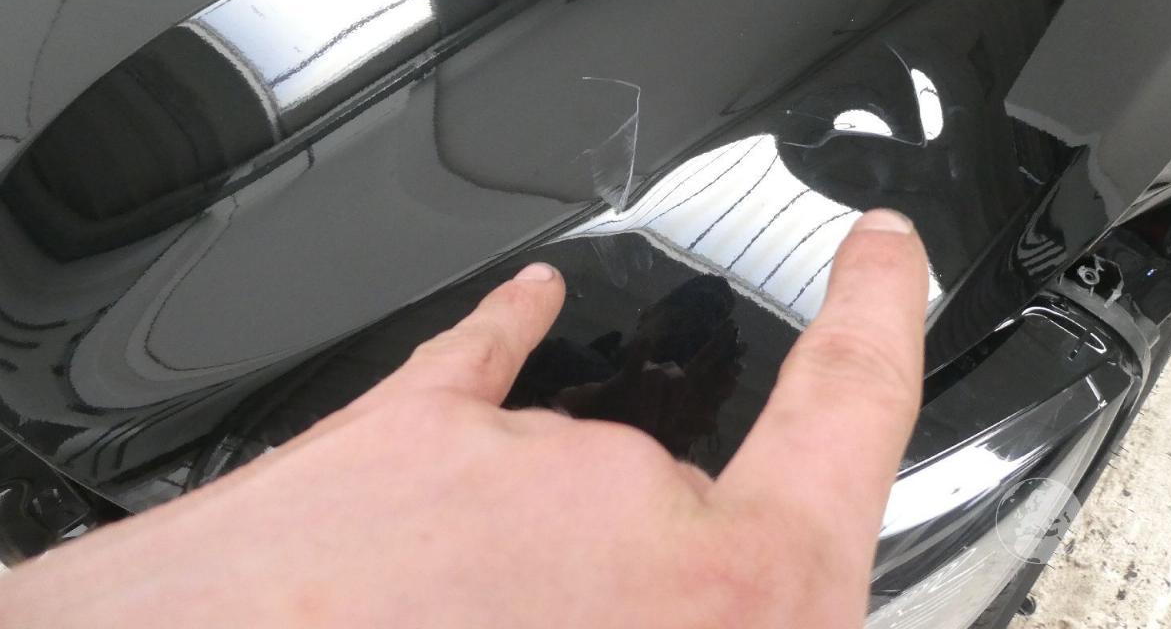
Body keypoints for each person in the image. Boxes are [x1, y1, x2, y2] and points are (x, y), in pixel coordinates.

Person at [0, 209, 927, 628]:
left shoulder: (715, 436)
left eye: (702, 345)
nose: (677, 349)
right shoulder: (551, 365)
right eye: (676, 329)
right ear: (647, 321)